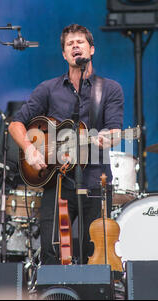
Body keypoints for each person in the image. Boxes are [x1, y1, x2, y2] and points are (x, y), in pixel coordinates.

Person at [8, 24, 124, 265]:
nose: (75, 47)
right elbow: (15, 123)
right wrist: (30, 149)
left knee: (93, 253)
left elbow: (115, 131)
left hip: (95, 182)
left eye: (80, 42)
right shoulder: (48, 89)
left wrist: (106, 139)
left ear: (91, 50)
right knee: (52, 252)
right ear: (64, 54)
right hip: (56, 182)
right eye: (70, 44)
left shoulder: (110, 89)